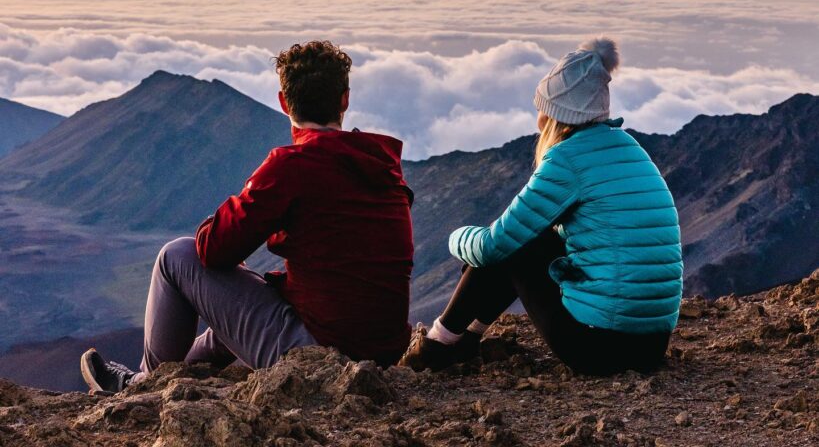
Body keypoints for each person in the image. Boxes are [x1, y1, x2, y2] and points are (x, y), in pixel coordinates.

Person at [81, 40, 414, 393]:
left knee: (175, 257)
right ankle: (183, 376)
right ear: (345, 99)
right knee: (239, 311)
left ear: (284, 102)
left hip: (323, 354)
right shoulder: (381, 168)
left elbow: (213, 249)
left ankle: (142, 385)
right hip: (382, 350)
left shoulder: (293, 166)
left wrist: (248, 199)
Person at [399, 37, 682, 376]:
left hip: (600, 347)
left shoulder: (566, 159)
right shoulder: (629, 147)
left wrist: (456, 238)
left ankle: (436, 345)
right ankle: (465, 338)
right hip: (651, 345)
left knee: (516, 245)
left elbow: (493, 247)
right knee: (533, 239)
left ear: (553, 113)